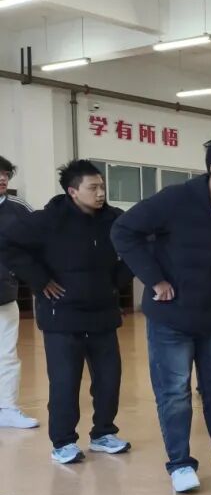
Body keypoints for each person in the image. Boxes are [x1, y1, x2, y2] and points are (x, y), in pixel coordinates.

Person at [111, 133, 211, 493]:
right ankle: (180, 464)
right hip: (171, 316)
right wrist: (154, 279)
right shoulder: (176, 199)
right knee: (175, 392)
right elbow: (123, 231)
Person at [0, 160, 130, 462]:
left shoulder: (114, 219)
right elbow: (6, 244)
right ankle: (63, 441)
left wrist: (117, 282)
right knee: (65, 382)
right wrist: (39, 279)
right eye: (93, 188)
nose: (100, 193)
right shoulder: (48, 219)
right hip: (62, 316)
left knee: (109, 380)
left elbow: (140, 245)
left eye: (102, 187)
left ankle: (103, 433)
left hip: (102, 314)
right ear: (73, 191)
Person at [0, 155, 37, 430]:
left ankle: (7, 408)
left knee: (6, 355)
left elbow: (40, 240)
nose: (2, 178)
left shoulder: (19, 208)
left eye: (5, 174)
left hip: (4, 295)